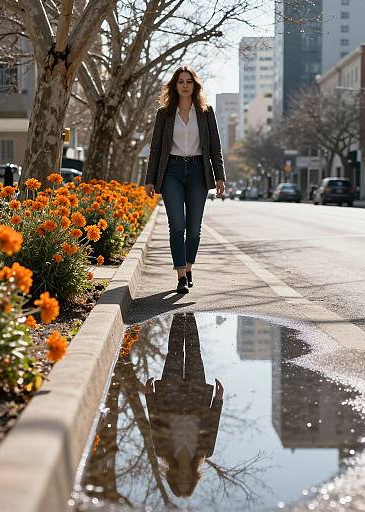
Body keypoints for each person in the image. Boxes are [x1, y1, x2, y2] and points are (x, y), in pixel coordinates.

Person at [145, 66, 226, 294]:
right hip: (172, 171)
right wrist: (150, 179)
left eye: (188, 81)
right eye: (180, 81)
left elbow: (215, 147)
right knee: (176, 225)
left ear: (194, 85)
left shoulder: (206, 112)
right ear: (175, 85)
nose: (184, 85)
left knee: (194, 229)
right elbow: (156, 148)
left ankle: (189, 267)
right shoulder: (164, 113)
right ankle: (181, 275)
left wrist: (219, 176)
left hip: (199, 171)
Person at [145, 313, 224, 497]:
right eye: (187, 483)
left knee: (174, 351)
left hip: (169, 395)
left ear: (172, 479)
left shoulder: (162, 450)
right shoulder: (206, 451)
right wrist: (218, 399)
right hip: (196, 397)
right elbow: (213, 423)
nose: (183, 479)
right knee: (194, 352)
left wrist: (149, 396)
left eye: (179, 482)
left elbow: (154, 421)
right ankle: (190, 314)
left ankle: (179, 315)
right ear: (193, 479)